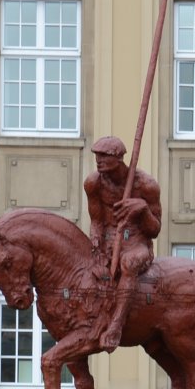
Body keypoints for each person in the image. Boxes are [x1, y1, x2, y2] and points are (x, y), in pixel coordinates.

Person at [82, 135, 161, 352]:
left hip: (136, 242)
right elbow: (97, 221)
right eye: (96, 155)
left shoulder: (146, 185)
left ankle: (116, 325)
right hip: (107, 241)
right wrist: (96, 246)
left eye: (104, 155)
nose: (98, 160)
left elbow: (155, 230)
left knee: (129, 263)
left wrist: (142, 209)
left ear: (119, 158)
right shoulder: (93, 183)